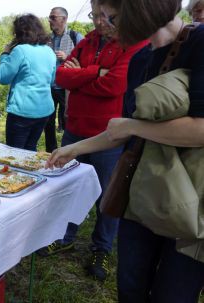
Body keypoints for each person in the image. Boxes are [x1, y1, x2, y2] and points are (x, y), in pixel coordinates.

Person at [47, 0, 204, 300]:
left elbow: (200, 128)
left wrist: (135, 128)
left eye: (113, 16)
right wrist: (74, 149)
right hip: (141, 193)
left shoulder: (199, 42)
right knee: (130, 286)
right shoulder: (139, 59)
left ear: (141, 8)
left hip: (191, 201)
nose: (106, 24)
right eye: (102, 16)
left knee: (173, 293)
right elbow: (121, 129)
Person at [36, 0, 148, 282]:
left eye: (105, 16)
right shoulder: (88, 41)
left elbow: (116, 85)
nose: (99, 22)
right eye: (95, 15)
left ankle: (102, 248)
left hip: (109, 136)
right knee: (70, 186)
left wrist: (80, 74)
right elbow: (61, 76)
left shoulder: (134, 44)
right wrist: (94, 72)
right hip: (76, 128)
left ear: (124, 14)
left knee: (108, 197)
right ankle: (66, 235)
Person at [0, 14, 56, 151]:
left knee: (15, 153)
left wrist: (5, 54)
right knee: (30, 149)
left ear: (19, 32)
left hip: (22, 111)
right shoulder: (49, 51)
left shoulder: (20, 50)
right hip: (44, 110)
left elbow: (3, 77)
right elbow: (51, 80)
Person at [43, 7, 83, 153]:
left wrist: (67, 57)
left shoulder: (76, 37)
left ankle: (67, 153)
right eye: (49, 17)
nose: (50, 20)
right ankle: (50, 152)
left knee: (68, 120)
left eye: (53, 17)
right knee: (48, 121)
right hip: (49, 86)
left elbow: (86, 62)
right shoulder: (46, 39)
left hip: (67, 88)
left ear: (64, 19)